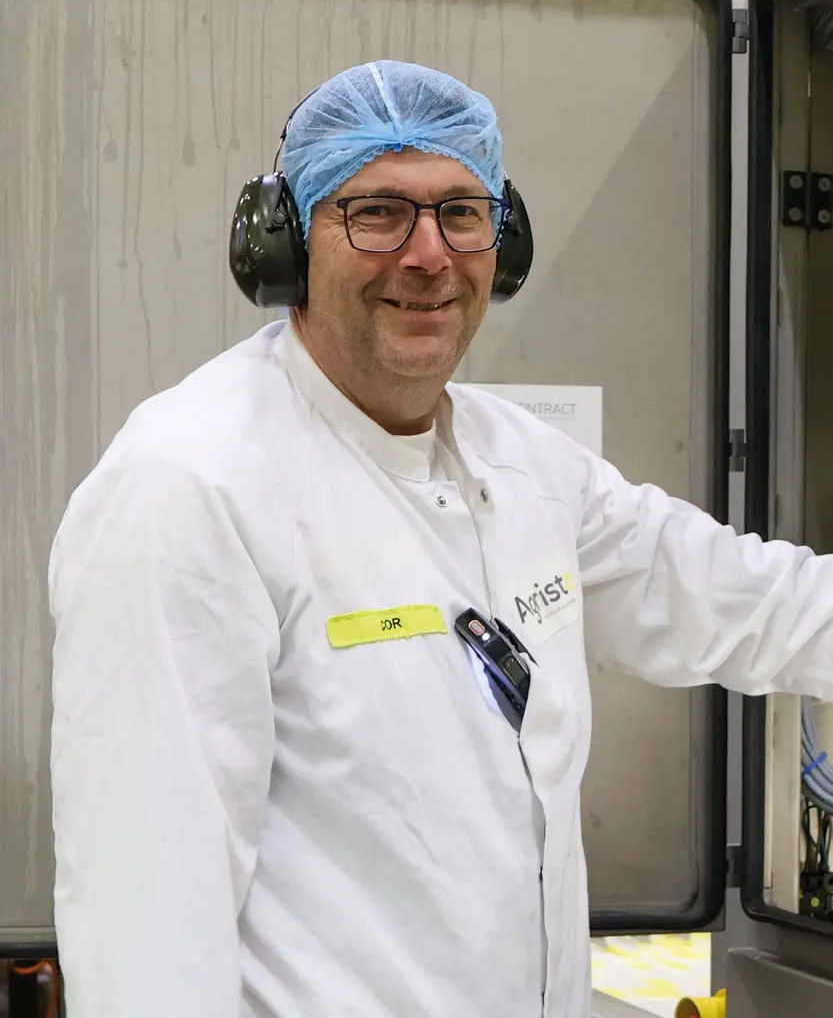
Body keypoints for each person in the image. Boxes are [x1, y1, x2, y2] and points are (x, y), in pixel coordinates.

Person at [48, 59, 833, 1018]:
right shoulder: (189, 487)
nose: (427, 254)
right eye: (376, 212)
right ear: (287, 240)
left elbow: (749, 602)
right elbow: (147, 919)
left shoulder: (524, 466)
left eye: (462, 212)